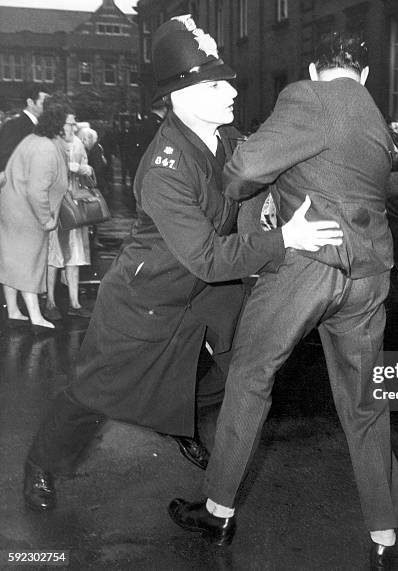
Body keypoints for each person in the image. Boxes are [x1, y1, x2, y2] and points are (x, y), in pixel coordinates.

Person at [22, 16, 341, 513]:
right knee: (98, 392)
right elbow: (209, 257)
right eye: (215, 83)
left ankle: (179, 420)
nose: (230, 89)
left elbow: (260, 176)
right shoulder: (164, 169)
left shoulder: (227, 137)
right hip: (149, 296)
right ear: (182, 95)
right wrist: (285, 238)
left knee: (237, 368)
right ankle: (43, 463)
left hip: (206, 293)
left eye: (226, 79)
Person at [166, 32, 398, 569]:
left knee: (251, 377)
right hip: (369, 275)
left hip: (310, 263)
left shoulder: (309, 97)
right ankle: (386, 532)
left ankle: (217, 511)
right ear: (367, 75)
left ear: (312, 67)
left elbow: (241, 173)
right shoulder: (377, 116)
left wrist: (247, 192)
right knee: (364, 405)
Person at [0, 98, 69, 331]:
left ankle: (13, 310)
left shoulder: (33, 139)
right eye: (70, 122)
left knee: (11, 261)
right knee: (30, 263)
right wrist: (46, 220)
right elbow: (36, 190)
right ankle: (36, 317)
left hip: (12, 209)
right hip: (27, 214)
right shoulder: (46, 148)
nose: (74, 125)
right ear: (59, 123)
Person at [45, 112, 94, 321]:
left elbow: (90, 171)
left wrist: (80, 168)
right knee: (53, 255)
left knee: (74, 255)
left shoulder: (78, 144)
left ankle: (74, 302)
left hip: (74, 204)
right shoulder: (50, 144)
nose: (73, 128)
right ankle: (50, 301)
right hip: (55, 204)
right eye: (69, 124)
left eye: (74, 124)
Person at [0, 84, 48, 174]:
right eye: (43, 103)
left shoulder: (40, 126)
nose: (47, 107)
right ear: (30, 102)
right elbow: (5, 160)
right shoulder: (14, 125)